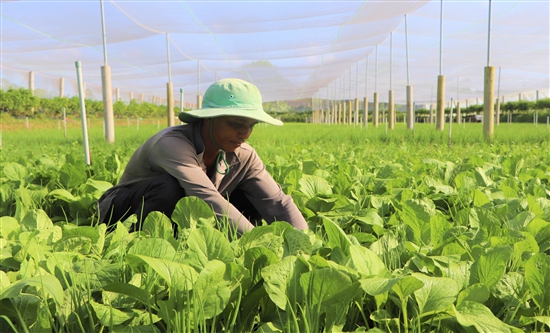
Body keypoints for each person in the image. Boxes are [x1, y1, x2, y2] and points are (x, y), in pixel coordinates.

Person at [97, 78, 308, 233]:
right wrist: (255, 240)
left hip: (186, 212)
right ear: (209, 119)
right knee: (169, 187)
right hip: (122, 212)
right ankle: (142, 240)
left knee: (253, 195)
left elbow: (277, 202)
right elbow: (206, 196)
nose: (245, 134)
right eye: (236, 124)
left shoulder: (244, 154)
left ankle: (207, 238)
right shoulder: (172, 144)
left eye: (251, 126)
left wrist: (304, 243)